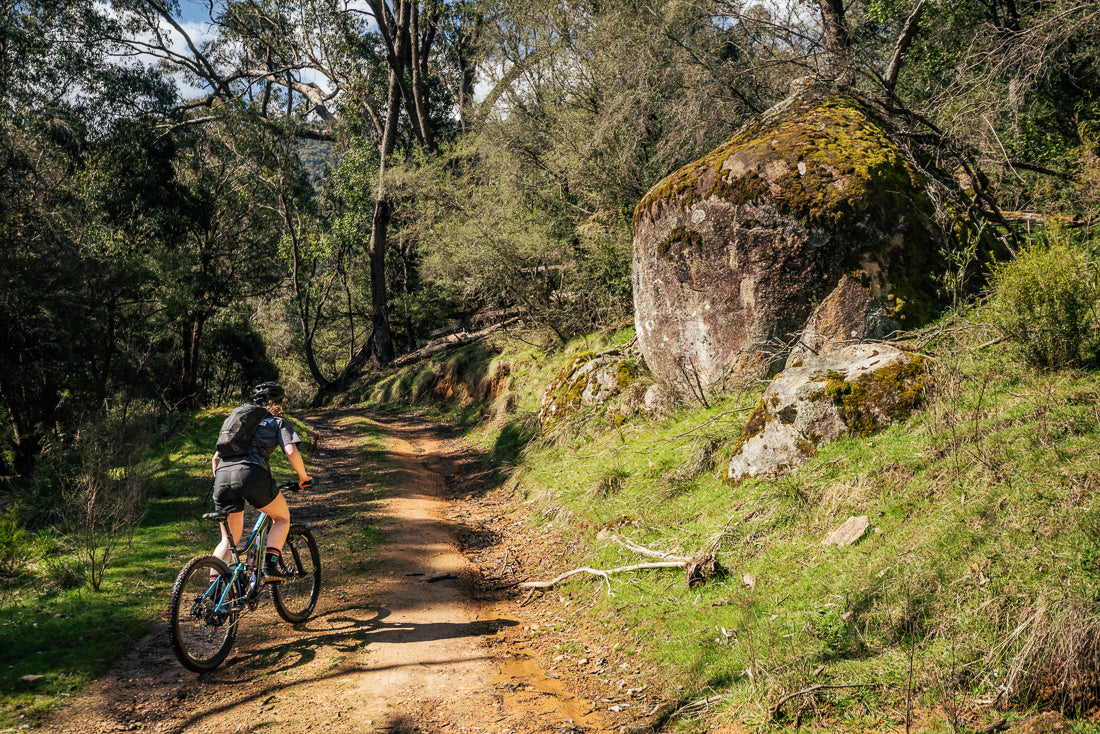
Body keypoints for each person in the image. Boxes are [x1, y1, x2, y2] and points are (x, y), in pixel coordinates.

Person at [211, 382, 312, 582]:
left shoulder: (238, 421)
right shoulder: (277, 422)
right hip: (251, 474)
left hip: (221, 476)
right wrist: (303, 478)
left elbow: (216, 458)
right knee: (282, 518)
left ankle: (213, 599)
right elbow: (291, 451)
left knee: (227, 540)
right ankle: (269, 566)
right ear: (277, 403)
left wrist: (224, 484)